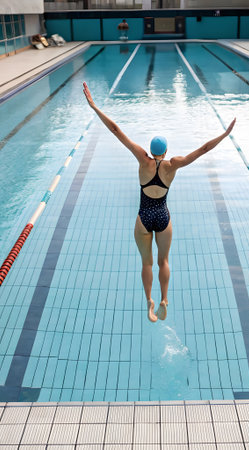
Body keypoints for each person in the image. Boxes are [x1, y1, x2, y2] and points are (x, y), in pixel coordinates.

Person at [83, 81, 235, 322]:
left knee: (147, 263)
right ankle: (164, 299)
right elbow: (203, 149)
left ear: (152, 150)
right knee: (164, 260)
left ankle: (149, 302)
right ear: (165, 151)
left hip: (144, 218)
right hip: (163, 217)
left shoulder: (143, 160)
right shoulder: (172, 165)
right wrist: (225, 134)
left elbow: (115, 130)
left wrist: (94, 107)